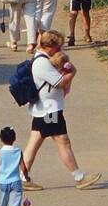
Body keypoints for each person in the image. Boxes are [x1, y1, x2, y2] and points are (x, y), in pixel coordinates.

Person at [21, 31, 100, 192]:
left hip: (44, 108)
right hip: (50, 109)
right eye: (58, 46)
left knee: (35, 142)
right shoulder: (42, 63)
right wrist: (71, 73)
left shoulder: (39, 59)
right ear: (50, 46)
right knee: (63, 141)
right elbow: (60, 82)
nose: (60, 50)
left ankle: (22, 177)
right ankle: (79, 177)